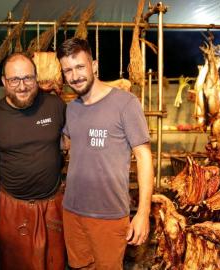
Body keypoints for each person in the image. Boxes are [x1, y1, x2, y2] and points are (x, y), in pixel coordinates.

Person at [56, 38, 154, 270]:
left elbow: (144, 157)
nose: (75, 75)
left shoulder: (126, 103)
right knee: (79, 267)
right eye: (68, 70)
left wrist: (143, 212)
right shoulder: (72, 109)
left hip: (109, 215)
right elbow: (67, 144)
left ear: (95, 66)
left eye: (80, 67)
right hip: (71, 210)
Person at [0, 52, 66, 270]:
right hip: (13, 207)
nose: (22, 86)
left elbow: (73, 140)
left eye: (28, 78)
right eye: (14, 80)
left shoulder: (56, 106)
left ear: (36, 77)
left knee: (55, 264)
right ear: (4, 82)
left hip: (52, 205)